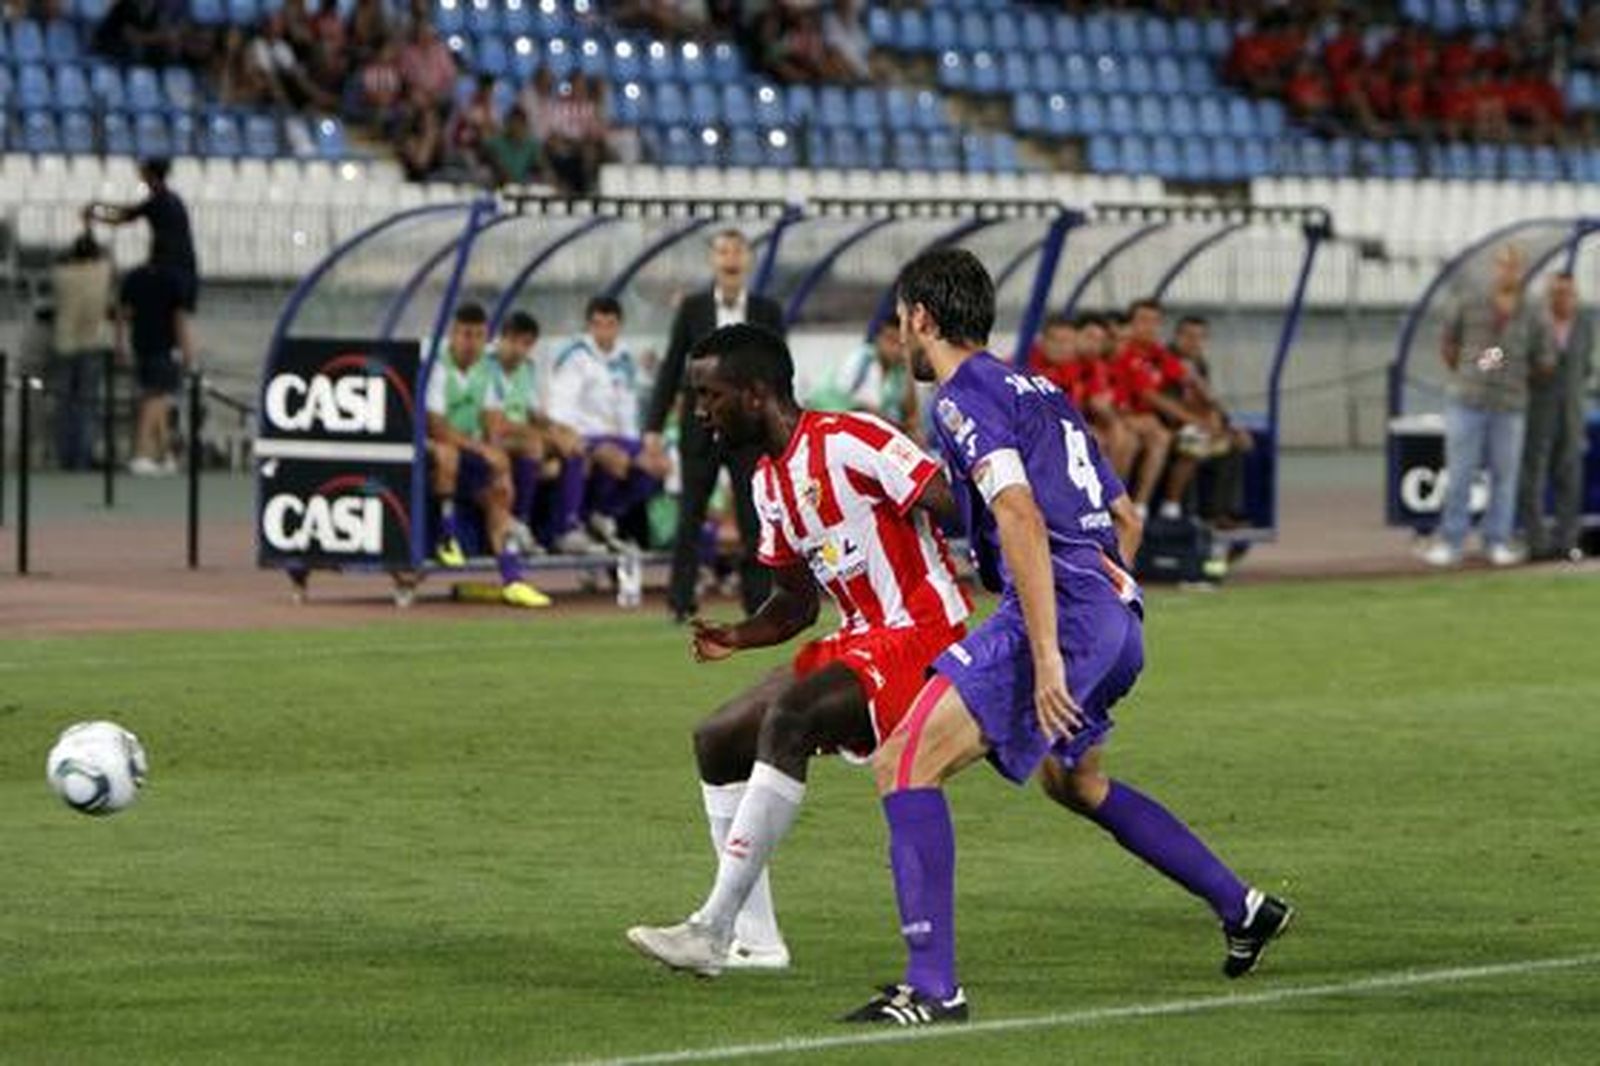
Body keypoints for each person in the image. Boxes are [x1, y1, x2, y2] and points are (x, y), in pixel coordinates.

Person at [845, 249, 1292, 1025]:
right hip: (1114, 609)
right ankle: (1242, 906)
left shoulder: (962, 397)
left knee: (903, 761)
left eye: (902, 320)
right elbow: (1125, 516)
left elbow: (1017, 512)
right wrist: (1102, 609)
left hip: (1063, 614)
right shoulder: (1041, 388)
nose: (902, 336)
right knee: (1074, 782)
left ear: (921, 318)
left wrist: (1048, 652)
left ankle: (932, 986)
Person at [625, 323, 971, 976]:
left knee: (789, 716)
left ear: (756, 394)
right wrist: (738, 633)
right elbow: (796, 603)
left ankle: (710, 926)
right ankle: (755, 941)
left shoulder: (853, 439)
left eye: (709, 396)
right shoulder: (767, 483)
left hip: (924, 636)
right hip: (861, 637)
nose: (699, 413)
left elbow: (949, 500)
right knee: (719, 737)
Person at [645, 229, 786, 622]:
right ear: (713, 260)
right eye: (723, 251)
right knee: (689, 515)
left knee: (753, 519)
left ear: (748, 260)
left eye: (737, 251)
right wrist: (653, 428)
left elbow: (779, 371)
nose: (730, 258)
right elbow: (674, 366)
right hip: (700, 427)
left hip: (748, 432)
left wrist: (782, 423)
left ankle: (758, 603)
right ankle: (680, 601)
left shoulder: (767, 311)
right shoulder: (692, 309)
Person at [424, 302, 549, 608]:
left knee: (499, 492)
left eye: (479, 336)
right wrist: (484, 449)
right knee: (446, 454)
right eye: (467, 335)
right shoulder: (437, 367)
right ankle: (446, 536)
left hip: (468, 449)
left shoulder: (484, 370)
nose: (472, 343)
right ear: (453, 334)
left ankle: (513, 579)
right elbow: (437, 427)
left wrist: (498, 457)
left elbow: (491, 418)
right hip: (433, 449)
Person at [1426, 244, 1537, 568]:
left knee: (1505, 477)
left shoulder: (1531, 309)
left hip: (1510, 405)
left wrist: (1513, 371)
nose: (1509, 272)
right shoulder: (1471, 301)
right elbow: (1448, 342)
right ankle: (1452, 542)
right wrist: (1469, 372)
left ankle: (1497, 540)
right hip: (1468, 401)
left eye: (1515, 266)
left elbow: (1543, 356)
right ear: (1495, 267)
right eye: (1504, 265)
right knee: (1460, 474)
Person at [548, 296, 672, 551]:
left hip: (616, 437)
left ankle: (605, 514)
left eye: (610, 324)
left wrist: (635, 448)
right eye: (597, 324)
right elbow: (561, 412)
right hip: (581, 435)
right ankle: (569, 526)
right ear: (589, 326)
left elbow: (627, 409)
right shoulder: (575, 357)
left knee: (659, 463)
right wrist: (589, 445)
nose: (603, 330)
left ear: (619, 326)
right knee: (610, 457)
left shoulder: (624, 359)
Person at [481, 311, 585, 556]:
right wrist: (547, 437)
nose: (519, 350)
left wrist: (558, 430)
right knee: (535, 446)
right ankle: (519, 521)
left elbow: (533, 412)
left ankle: (566, 527)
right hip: (492, 437)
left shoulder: (526, 369)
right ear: (502, 339)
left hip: (520, 435)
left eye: (526, 344)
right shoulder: (486, 367)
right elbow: (496, 423)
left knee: (573, 444)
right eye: (514, 341)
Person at [83, 158, 199, 374]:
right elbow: (129, 211)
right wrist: (99, 207)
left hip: (166, 266)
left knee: (136, 308)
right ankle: (188, 363)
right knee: (179, 315)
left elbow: (124, 216)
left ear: (151, 175)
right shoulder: (172, 199)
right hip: (184, 264)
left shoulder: (158, 201)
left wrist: (96, 212)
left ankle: (128, 353)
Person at [1517, 273, 1593, 562]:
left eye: (1568, 293)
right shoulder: (1530, 321)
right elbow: (1502, 349)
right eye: (1557, 293)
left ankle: (1566, 541)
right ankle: (1536, 543)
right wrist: (1479, 362)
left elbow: (1585, 367)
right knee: (1533, 477)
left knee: (1570, 477)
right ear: (1548, 297)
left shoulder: (1585, 325)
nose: (1563, 299)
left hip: (1572, 413)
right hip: (1538, 411)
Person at [1170, 315, 1254, 527]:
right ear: (1177, 336)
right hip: (1173, 426)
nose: (1194, 342)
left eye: (1200, 337)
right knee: (1197, 443)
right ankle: (1176, 509)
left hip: (1197, 425)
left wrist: (1229, 425)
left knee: (1233, 445)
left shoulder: (1199, 363)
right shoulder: (1166, 361)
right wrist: (1201, 422)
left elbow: (1209, 399)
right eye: (1189, 336)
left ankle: (1220, 512)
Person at [50, 232, 115, 471]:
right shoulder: (103, 271)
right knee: (87, 403)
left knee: (64, 403)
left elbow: (59, 258)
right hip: (93, 343)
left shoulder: (61, 275)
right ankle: (82, 458)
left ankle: (64, 456)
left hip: (64, 343)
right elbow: (108, 256)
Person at [810, 318, 915, 430]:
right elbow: (863, 410)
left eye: (901, 344)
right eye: (891, 341)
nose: (895, 349)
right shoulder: (862, 359)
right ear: (878, 339)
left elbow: (909, 412)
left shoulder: (899, 372)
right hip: (828, 418)